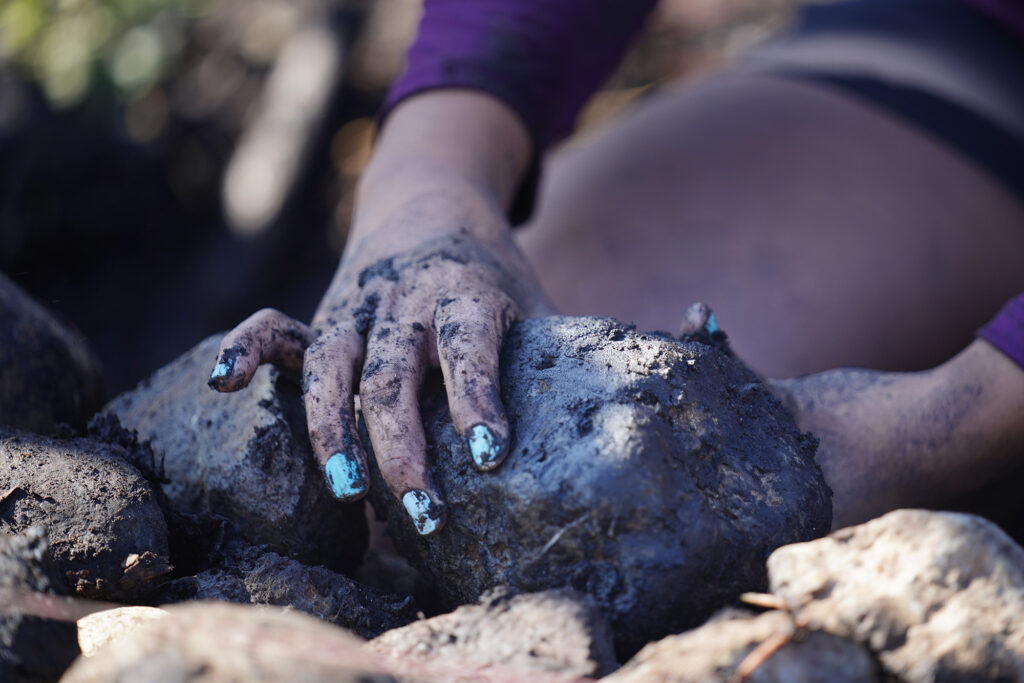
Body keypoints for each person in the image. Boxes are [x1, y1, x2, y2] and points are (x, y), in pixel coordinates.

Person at [208, 0, 1024, 535]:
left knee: (678, 487)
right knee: (480, 418)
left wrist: (946, 422)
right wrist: (425, 183)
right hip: (954, 38)